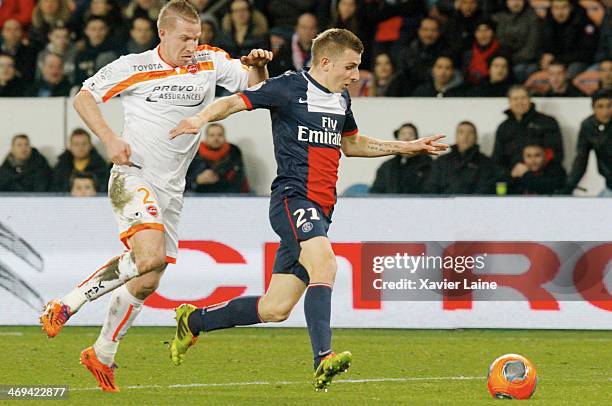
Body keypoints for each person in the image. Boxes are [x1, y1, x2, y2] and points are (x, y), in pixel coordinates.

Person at [166, 28, 447, 391]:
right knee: (326, 263)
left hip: (321, 211)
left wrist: (406, 147)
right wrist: (200, 119)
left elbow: (354, 144)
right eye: (351, 66)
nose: (356, 75)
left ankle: (195, 321)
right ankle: (323, 358)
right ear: (326, 61)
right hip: (292, 199)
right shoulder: (287, 88)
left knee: (274, 308)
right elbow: (236, 101)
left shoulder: (341, 98)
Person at [38, 0, 272, 393]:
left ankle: (102, 352)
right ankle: (66, 303)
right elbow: (84, 97)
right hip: (132, 176)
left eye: (196, 38)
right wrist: (110, 138)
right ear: (162, 33)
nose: (192, 46)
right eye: (184, 38)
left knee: (148, 280)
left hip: (172, 189)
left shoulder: (210, 61)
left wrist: (259, 64)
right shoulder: (134, 66)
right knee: (150, 257)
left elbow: (256, 88)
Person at [492, 85, 564, 180]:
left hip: (543, 178)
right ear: (509, 102)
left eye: (523, 98)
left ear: (530, 99)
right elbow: (497, 158)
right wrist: (509, 174)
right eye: (515, 99)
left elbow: (556, 153)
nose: (519, 102)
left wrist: (532, 169)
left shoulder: (547, 122)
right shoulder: (503, 127)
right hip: (512, 179)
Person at [425, 121, 496, 194]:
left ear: (476, 137)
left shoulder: (485, 162)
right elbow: (431, 187)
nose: (466, 136)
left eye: (470, 133)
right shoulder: (442, 161)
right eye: (461, 132)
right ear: (456, 137)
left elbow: (486, 188)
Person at [563, 90, 612, 196]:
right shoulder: (589, 126)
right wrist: (569, 187)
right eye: (600, 106)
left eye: (609, 106)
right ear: (593, 108)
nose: (606, 111)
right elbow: (581, 159)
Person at [185, 123, 248, 193]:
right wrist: (197, 180)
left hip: (228, 194)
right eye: (212, 135)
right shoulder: (194, 152)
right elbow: (182, 180)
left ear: (224, 136)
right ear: (206, 137)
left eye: (220, 135)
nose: (216, 139)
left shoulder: (233, 152)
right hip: (198, 194)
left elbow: (239, 179)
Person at [370, 123, 432, 194]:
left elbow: (431, 190)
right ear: (397, 140)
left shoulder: (426, 163)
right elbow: (376, 191)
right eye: (403, 134)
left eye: (411, 134)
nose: (407, 137)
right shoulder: (387, 166)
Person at [492, 0, 540, 82]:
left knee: (521, 69)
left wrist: (511, 60)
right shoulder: (497, 18)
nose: (516, 3)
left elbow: (531, 47)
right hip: (504, 58)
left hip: (525, 60)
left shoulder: (532, 17)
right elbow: (500, 42)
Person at [52, 128, 110, 192]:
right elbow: (55, 189)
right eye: (76, 144)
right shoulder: (61, 167)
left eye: (84, 144)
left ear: (91, 146)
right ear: (70, 146)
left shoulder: (101, 167)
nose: (80, 148)